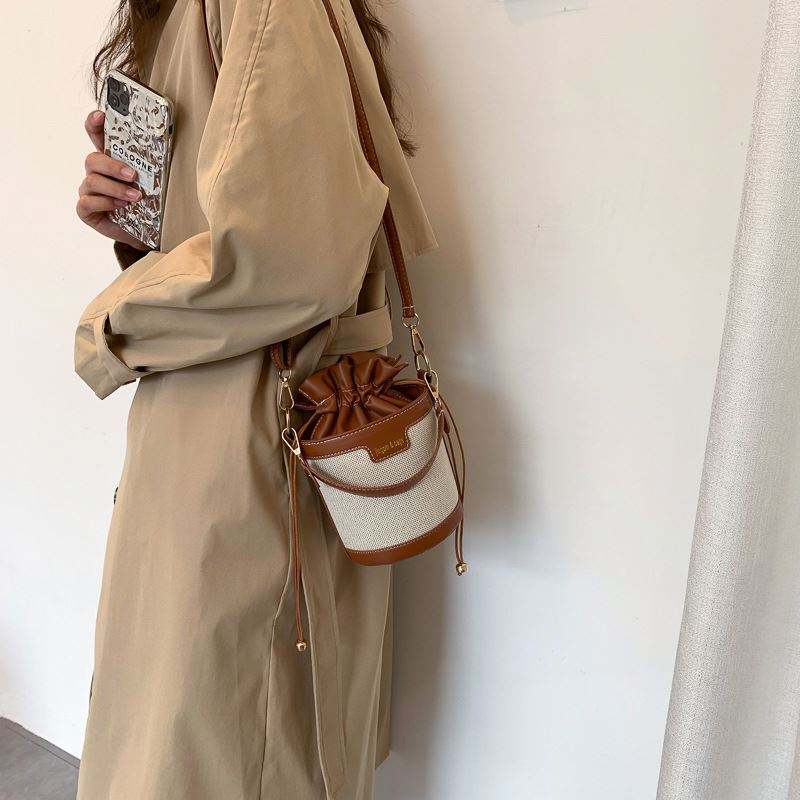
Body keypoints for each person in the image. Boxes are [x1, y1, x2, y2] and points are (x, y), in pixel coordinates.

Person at [73, 1, 437, 797]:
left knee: (219, 741)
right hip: (215, 420)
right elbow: (248, 228)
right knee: (202, 734)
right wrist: (137, 225)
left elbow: (293, 259)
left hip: (249, 432)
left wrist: (109, 327)